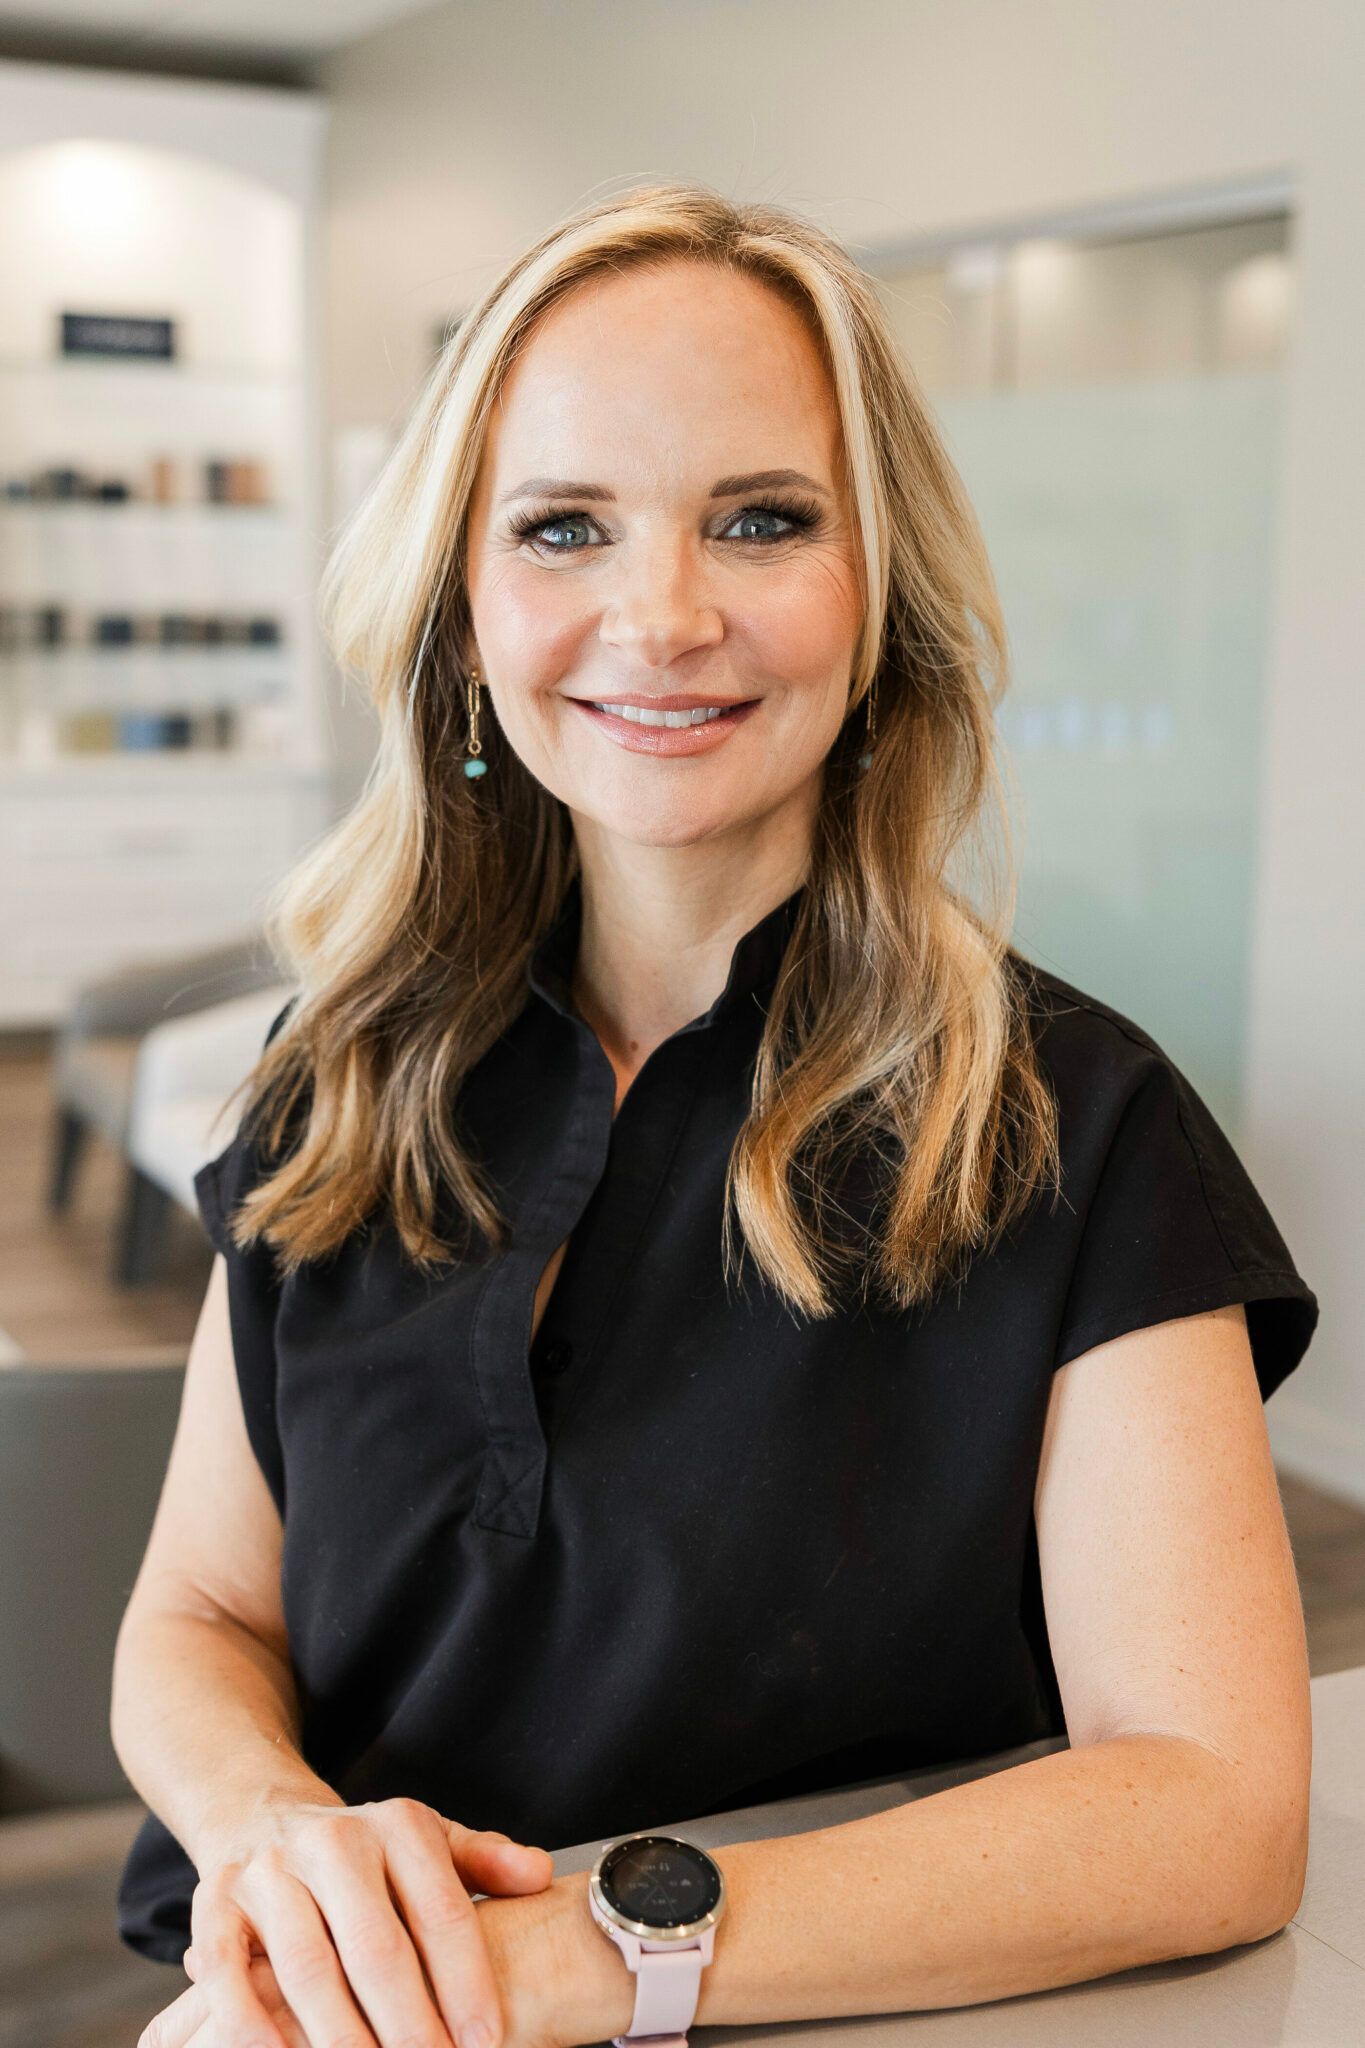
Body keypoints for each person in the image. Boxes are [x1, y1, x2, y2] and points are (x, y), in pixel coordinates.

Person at [113, 182, 1318, 2048]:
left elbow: (1211, 1811)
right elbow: (199, 1612)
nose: (659, 614)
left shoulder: (1073, 1124)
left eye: (759, 520)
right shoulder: (337, 1075)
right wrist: (280, 1839)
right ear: (462, 612)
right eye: (561, 526)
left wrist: (563, 1953)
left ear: (879, 595)